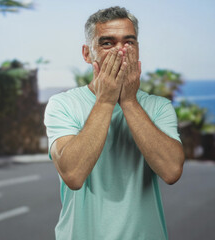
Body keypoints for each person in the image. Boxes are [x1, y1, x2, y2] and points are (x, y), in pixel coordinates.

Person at [44, 6, 185, 240]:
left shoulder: (159, 107)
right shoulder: (63, 104)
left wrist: (129, 101)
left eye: (128, 42)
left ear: (137, 50)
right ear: (88, 54)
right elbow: (73, 175)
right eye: (107, 43)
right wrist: (106, 101)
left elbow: (171, 171)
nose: (120, 51)